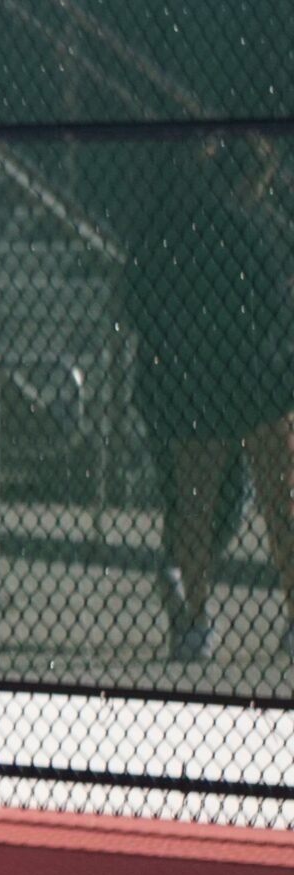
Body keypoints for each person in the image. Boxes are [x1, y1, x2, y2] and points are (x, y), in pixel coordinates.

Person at [128, 133, 294, 662]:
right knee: (280, 500)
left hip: (200, 378)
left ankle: (196, 621)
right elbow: (276, 301)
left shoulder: (181, 227)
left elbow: (142, 298)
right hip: (261, 378)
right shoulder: (264, 229)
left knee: (195, 503)